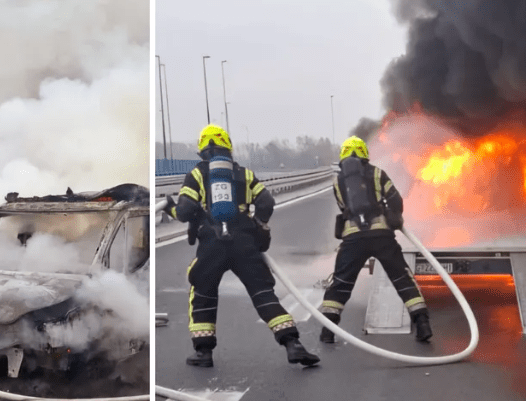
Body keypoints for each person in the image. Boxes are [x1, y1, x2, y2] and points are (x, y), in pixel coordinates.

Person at [164, 124, 320, 368]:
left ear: (203, 151)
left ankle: (203, 353)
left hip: (212, 245)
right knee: (263, 293)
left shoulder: (197, 174)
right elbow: (266, 202)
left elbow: (184, 212)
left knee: (203, 292)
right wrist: (259, 225)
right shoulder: (244, 174)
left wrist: (169, 209)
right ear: (228, 149)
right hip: (244, 243)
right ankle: (293, 344)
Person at [320, 136, 432, 343]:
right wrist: (392, 215)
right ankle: (422, 324)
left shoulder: (338, 181)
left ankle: (327, 332)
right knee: (401, 278)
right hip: (381, 236)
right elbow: (396, 200)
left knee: (341, 283)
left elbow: (344, 208)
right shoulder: (378, 173)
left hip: (353, 239)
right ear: (365, 153)